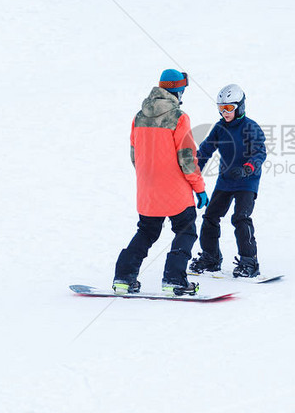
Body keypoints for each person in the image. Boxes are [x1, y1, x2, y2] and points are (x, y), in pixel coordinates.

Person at [113, 69, 210, 295]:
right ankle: (174, 279)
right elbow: (187, 158)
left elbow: (134, 154)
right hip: (175, 190)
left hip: (147, 190)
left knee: (146, 231)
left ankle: (123, 278)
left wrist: (149, 177)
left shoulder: (139, 116)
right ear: (178, 90)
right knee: (186, 230)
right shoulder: (178, 117)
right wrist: (200, 188)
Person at [190, 84, 267, 278]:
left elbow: (259, 152)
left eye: (229, 108)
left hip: (247, 181)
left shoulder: (250, 127)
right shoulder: (220, 128)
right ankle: (211, 257)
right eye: (221, 108)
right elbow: (206, 150)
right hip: (226, 180)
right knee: (210, 217)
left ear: (240, 107)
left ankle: (249, 262)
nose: (225, 113)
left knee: (240, 218)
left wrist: (248, 168)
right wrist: (193, 169)